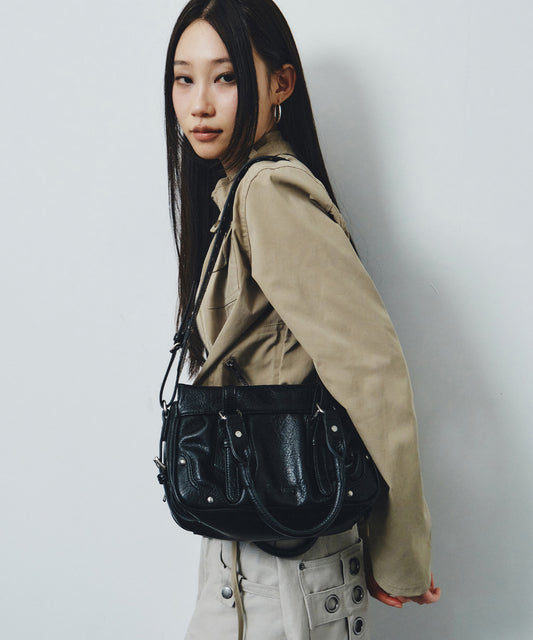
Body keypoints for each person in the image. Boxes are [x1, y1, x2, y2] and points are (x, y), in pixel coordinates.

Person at [162, 1, 441, 638]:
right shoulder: (237, 194)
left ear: (281, 84)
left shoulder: (269, 194)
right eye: (183, 78)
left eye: (226, 77)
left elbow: (371, 370)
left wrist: (399, 554)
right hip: (252, 549)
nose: (199, 104)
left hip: (288, 570)